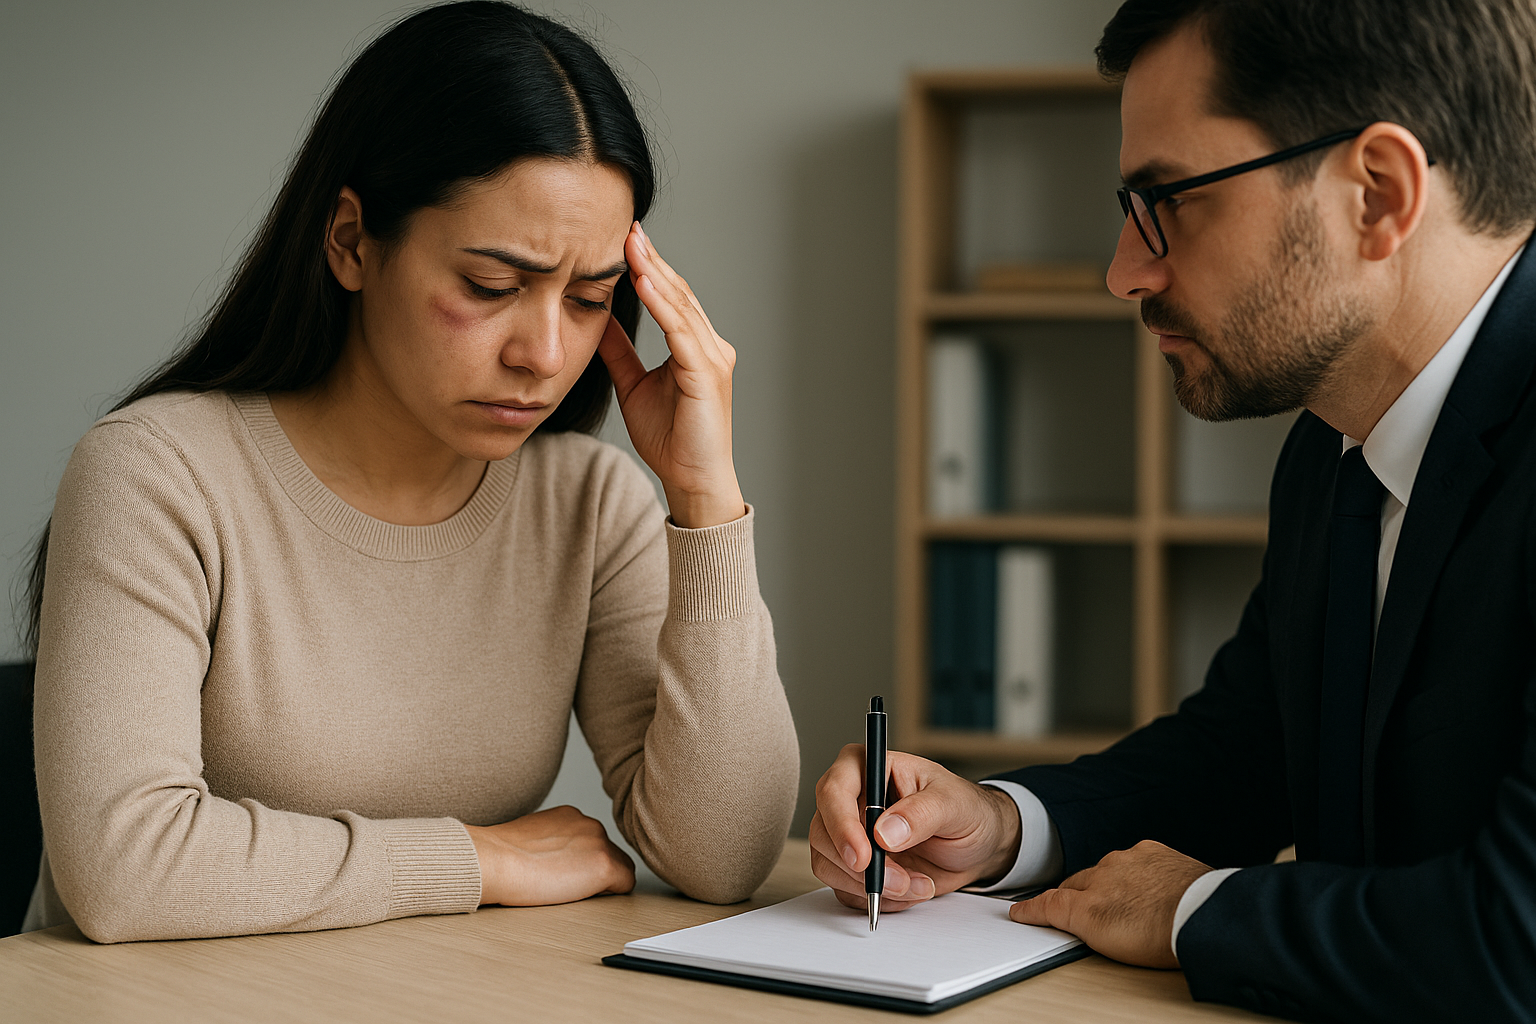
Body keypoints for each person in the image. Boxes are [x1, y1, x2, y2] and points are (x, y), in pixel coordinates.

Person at [811, 1, 1536, 1020]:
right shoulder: (1337, 444)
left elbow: (1517, 941)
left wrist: (1193, 909)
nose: (1124, 272)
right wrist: (1003, 824)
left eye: (1172, 201)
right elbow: (1247, 752)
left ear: (1377, 193)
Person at [23, 1, 798, 944]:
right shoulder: (157, 475)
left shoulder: (588, 507)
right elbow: (124, 870)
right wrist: (483, 858)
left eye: (590, 298)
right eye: (491, 287)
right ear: (352, 241)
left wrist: (705, 502)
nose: (545, 354)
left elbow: (723, 857)